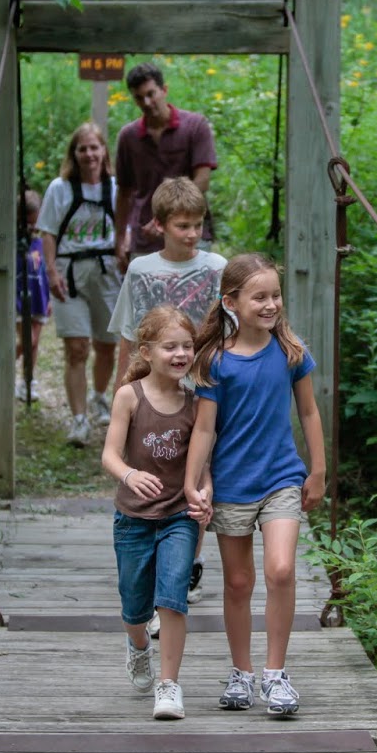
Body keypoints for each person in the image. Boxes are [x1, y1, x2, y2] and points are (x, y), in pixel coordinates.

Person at [183, 253, 325, 718]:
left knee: (282, 569)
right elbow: (205, 429)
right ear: (231, 302)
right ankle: (240, 672)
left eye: (275, 296)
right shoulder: (216, 361)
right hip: (231, 484)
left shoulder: (291, 352)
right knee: (239, 582)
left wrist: (317, 469)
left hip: (281, 477)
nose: (270, 305)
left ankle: (275, 674)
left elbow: (308, 412)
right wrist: (192, 483)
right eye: (259, 297)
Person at [109, 177, 227, 610]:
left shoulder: (217, 267)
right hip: (154, 388)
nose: (192, 233)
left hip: (203, 390)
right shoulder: (141, 270)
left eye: (197, 224)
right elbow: (128, 333)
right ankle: (155, 556)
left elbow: (229, 331)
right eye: (182, 225)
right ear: (159, 225)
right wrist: (123, 386)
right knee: (157, 465)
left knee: (195, 477)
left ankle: (188, 562)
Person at [100, 305, 210, 721]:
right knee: (134, 606)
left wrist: (205, 489)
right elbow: (110, 455)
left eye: (187, 346)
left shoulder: (197, 401)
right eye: (170, 347)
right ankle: (137, 646)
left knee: (173, 599)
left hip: (178, 517)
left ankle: (169, 685)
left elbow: (203, 462)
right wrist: (129, 475)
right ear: (146, 351)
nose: (181, 354)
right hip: (132, 519)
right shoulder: (130, 396)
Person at [35, 122, 121, 447]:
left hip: (108, 271)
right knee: (76, 348)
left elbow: (125, 225)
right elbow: (48, 232)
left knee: (107, 345)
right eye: (82, 149)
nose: (89, 154)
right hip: (70, 272)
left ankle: (100, 396)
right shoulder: (60, 188)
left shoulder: (114, 187)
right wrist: (51, 273)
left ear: (103, 151)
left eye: (94, 147)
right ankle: (79, 420)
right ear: (74, 153)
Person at [113, 62, 217, 269]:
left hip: (191, 233)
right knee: (147, 300)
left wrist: (166, 215)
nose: (147, 102)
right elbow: (124, 193)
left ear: (164, 90)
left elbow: (202, 180)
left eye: (151, 94)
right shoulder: (129, 137)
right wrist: (118, 239)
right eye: (139, 98)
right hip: (145, 238)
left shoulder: (195, 126)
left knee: (195, 299)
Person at [15, 189, 49, 403]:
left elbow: (45, 269)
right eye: (28, 223)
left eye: (35, 222)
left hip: (39, 296)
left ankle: (27, 380)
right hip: (20, 296)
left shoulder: (42, 240)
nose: (32, 227)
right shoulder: (13, 241)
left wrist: (50, 299)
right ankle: (1, 368)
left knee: (34, 343)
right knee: (29, 339)